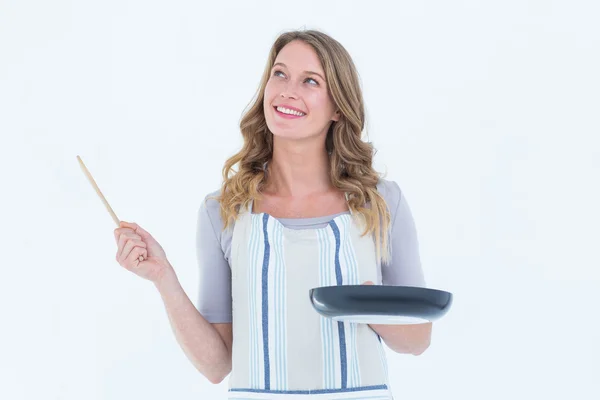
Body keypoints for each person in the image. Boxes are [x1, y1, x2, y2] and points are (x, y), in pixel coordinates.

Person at [114, 29, 432, 399]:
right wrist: (163, 277)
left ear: (339, 108)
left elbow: (418, 339)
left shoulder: (380, 203)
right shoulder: (223, 211)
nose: (287, 91)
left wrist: (367, 302)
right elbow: (217, 366)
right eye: (279, 74)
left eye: (310, 81)